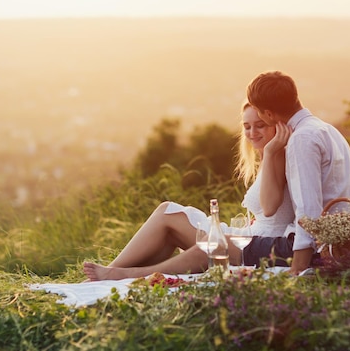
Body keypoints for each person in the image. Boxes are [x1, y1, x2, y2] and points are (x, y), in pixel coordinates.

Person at [82, 103, 294, 281]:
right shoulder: (268, 155)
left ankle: (118, 273)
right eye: (247, 127)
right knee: (168, 212)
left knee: (171, 220)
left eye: (260, 126)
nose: (252, 132)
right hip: (249, 235)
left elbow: (270, 208)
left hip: (259, 243)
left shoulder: (277, 154)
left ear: (275, 125)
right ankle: (114, 271)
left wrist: (270, 150)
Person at [246, 71, 350, 275]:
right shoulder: (325, 128)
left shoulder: (302, 139)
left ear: (269, 114)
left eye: (258, 111)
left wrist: (297, 269)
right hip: (348, 239)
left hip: (324, 249)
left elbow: (308, 210)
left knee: (219, 246)